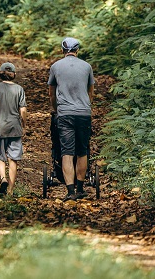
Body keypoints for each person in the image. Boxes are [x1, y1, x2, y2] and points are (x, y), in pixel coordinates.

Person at [47, 37, 95, 200]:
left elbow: (52, 93)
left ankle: (70, 191)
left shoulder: (55, 67)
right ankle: (81, 188)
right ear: (77, 50)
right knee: (82, 151)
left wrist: (56, 109)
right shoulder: (87, 67)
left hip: (65, 113)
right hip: (83, 113)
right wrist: (86, 107)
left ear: (62, 50)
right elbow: (91, 93)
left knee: (67, 152)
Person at [0, 62, 27, 196]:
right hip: (14, 127)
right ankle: (10, 190)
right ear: (13, 74)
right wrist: (24, 125)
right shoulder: (19, 89)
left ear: (0, 73)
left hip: (0, 127)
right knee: (13, 159)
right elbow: (23, 110)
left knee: (0, 156)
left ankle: (3, 178)